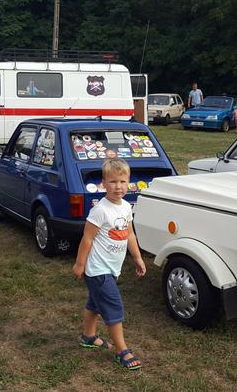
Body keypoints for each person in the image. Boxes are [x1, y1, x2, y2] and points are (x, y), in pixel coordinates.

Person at [73, 158, 146, 371]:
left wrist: (138, 257)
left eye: (123, 181)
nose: (118, 186)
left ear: (129, 182)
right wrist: (80, 264)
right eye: (113, 182)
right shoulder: (100, 210)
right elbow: (87, 239)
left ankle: (88, 337)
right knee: (113, 307)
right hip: (97, 269)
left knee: (95, 304)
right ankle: (122, 350)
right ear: (103, 183)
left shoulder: (125, 207)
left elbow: (129, 234)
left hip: (112, 268)